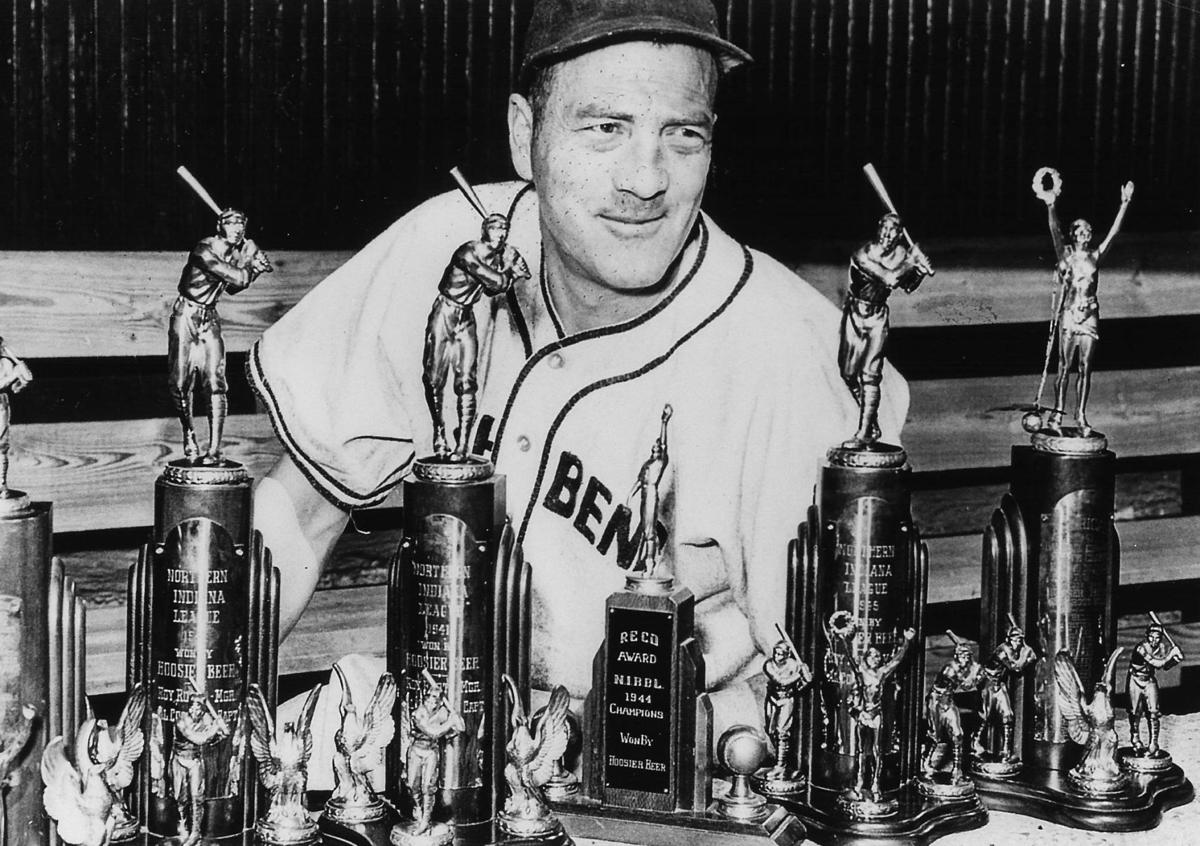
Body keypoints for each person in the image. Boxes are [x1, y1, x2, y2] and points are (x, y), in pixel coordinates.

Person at [256, 0, 907, 771]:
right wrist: (189, 702)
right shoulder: (444, 246)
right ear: (523, 135)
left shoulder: (791, 351)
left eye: (683, 134)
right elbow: (294, 521)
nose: (645, 179)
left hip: (660, 779)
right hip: (428, 727)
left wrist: (635, 747)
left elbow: (831, 683)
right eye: (605, 127)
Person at [424, 213, 530, 461]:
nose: (501, 234)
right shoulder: (468, 252)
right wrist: (512, 271)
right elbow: (495, 281)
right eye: (495, 228)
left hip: (466, 318)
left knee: (467, 381)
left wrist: (508, 270)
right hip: (444, 312)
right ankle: (439, 434)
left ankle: (462, 446)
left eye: (505, 229)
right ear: (485, 230)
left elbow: (492, 290)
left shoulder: (495, 258)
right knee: (434, 377)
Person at [1035, 169, 1133, 435]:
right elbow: (1054, 230)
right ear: (1074, 234)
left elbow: (1113, 233)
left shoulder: (1095, 257)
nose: (1086, 233)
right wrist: (1051, 204)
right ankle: (1057, 413)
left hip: (1089, 313)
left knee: (1085, 368)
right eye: (1082, 230)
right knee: (1064, 367)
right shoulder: (1065, 255)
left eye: (1089, 230)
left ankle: (1079, 415)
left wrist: (1124, 204)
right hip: (1069, 313)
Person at [170, 208, 272, 462]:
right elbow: (238, 276)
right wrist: (249, 260)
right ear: (220, 226)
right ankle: (190, 434)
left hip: (209, 318)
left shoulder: (230, 252)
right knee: (181, 384)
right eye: (231, 223)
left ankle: (214, 450)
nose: (237, 229)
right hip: (186, 316)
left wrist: (255, 269)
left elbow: (233, 288)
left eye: (241, 224)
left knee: (216, 383)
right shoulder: (203, 249)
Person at [839, 214, 931, 446]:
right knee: (849, 374)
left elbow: (907, 286)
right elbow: (889, 279)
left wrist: (919, 270)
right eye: (885, 229)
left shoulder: (900, 253)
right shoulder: (863, 254)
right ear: (878, 229)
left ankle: (864, 432)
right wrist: (911, 260)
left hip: (878, 316)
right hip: (855, 313)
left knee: (870, 375)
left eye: (893, 231)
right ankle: (871, 422)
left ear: (900, 234)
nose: (887, 235)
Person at [841, 628, 916, 803]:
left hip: (876, 714)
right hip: (862, 714)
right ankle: (858, 783)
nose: (874, 659)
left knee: (876, 751)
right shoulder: (860, 671)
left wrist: (906, 641)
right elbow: (849, 656)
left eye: (877, 656)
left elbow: (897, 660)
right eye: (871, 656)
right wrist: (844, 638)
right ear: (866, 658)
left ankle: (875, 784)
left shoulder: (882, 673)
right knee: (860, 750)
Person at [406, 679, 465, 835]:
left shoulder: (443, 713)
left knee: (427, 787)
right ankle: (418, 810)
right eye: (430, 697)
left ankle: (425, 821)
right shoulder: (418, 713)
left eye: (436, 699)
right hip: (416, 751)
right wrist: (449, 723)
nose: (433, 701)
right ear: (425, 698)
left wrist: (456, 723)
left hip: (431, 752)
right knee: (413, 785)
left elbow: (455, 731)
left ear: (440, 702)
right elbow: (433, 732)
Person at [972, 624, 1037, 766]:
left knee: (1008, 716)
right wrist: (1027, 656)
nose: (1017, 643)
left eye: (1020, 640)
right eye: (1014, 640)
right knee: (985, 716)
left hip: (999, 684)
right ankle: (974, 744)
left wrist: (1027, 655)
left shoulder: (1016, 650)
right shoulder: (1002, 651)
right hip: (988, 683)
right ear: (1008, 639)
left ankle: (1006, 751)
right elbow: (1015, 668)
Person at [922, 638, 981, 784]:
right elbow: (966, 685)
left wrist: (977, 672)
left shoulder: (967, 667)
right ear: (956, 656)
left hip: (949, 701)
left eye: (968, 656)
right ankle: (926, 761)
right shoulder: (950, 669)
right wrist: (977, 675)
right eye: (962, 656)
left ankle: (957, 769)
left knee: (958, 734)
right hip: (936, 701)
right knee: (935, 734)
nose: (965, 659)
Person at [1126, 620, 1183, 758]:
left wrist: (1176, 659)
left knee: (1154, 712)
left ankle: (1153, 745)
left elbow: (1165, 666)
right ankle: (1135, 738)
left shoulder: (1161, 647)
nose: (1154, 640)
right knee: (1135, 712)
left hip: (1149, 679)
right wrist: (1171, 654)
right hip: (1135, 679)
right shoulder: (1140, 648)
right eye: (1151, 636)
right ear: (1147, 635)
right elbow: (1156, 663)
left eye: (1157, 637)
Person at [0, 338, 33, 495]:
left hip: (2, 407)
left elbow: (19, 385)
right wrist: (12, 376)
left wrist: (23, 378)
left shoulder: (6, 363)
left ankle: (2, 484)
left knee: (1, 448)